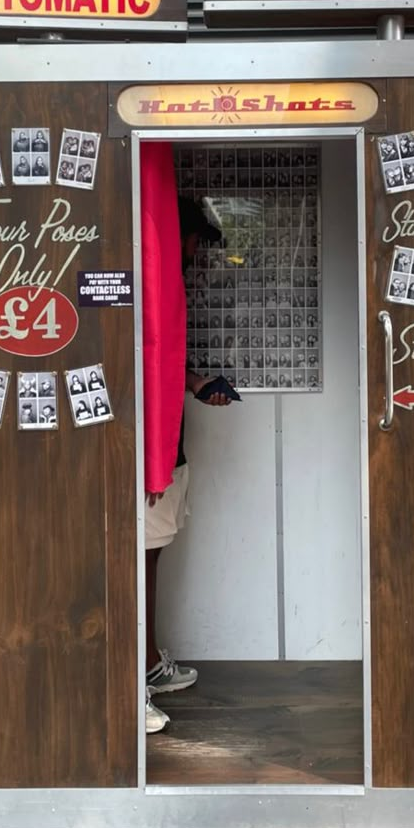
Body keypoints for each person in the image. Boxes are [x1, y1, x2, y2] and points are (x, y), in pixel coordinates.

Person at [144, 195, 234, 735]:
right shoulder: (150, 285)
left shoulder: (166, 291)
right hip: (151, 451)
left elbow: (162, 358)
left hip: (167, 446)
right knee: (137, 561)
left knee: (151, 556)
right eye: (195, 247)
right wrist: (150, 460)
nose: (197, 261)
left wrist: (198, 384)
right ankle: (130, 678)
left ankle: (150, 662)